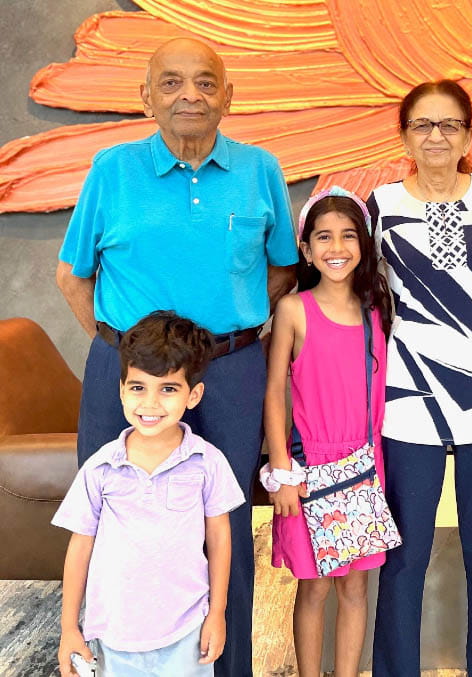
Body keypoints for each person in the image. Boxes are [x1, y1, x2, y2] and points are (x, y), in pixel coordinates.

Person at [54, 38, 297, 675]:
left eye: (205, 82)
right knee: (112, 521)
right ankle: (105, 659)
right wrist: (124, 351)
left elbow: (282, 270)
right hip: (128, 373)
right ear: (146, 97)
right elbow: (72, 276)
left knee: (226, 525)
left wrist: (230, 329)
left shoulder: (260, 170)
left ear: (228, 96)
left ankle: (227, 665)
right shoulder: (112, 170)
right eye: (171, 82)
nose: (190, 94)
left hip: (231, 371)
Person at [368, 80, 472, 676]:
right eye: (422, 125)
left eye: (449, 125)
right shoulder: (380, 203)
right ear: (404, 135)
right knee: (404, 553)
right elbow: (356, 287)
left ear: (468, 134)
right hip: (408, 397)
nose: (436, 136)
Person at [54, 311, 245, 677]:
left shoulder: (207, 462)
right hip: (113, 635)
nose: (150, 403)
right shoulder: (100, 467)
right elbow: (80, 547)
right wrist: (68, 629)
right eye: (138, 387)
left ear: (193, 395)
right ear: (121, 390)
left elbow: (220, 538)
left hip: (186, 633)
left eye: (168, 389)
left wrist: (217, 613)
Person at [262, 187, 393, 676]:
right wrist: (281, 470)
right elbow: (274, 392)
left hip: (364, 467)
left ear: (364, 244)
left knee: (355, 586)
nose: (336, 247)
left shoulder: (376, 309)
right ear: (306, 248)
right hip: (308, 469)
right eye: (324, 237)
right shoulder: (294, 310)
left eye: (348, 236)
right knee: (314, 585)